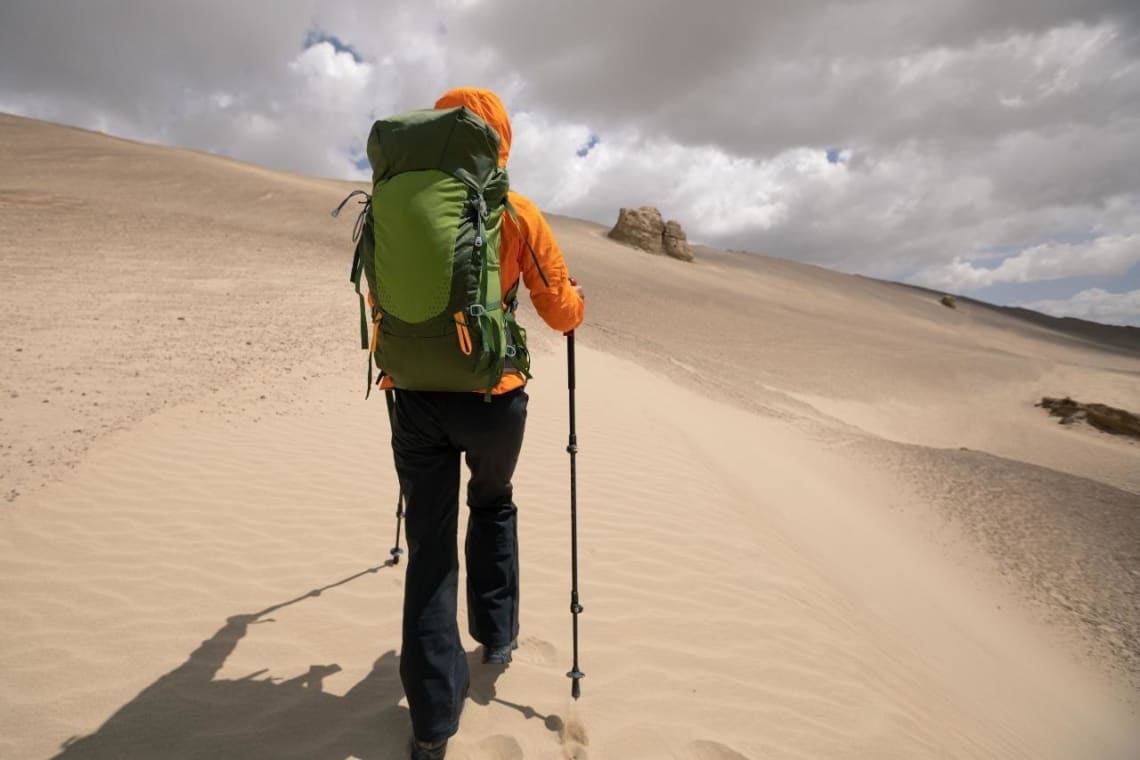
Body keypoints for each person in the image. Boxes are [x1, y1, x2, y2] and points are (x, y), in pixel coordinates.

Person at [384, 87, 585, 760]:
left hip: (412, 393)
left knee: (429, 547)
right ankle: (496, 637)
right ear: (500, 141)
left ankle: (431, 727)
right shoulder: (515, 211)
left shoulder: (399, 204)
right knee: (493, 505)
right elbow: (560, 314)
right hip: (494, 399)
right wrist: (575, 299)